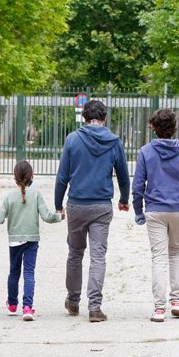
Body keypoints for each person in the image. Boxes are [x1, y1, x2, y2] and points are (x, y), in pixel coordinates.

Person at [55, 100, 130, 323]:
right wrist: (124, 199)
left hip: (76, 205)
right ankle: (95, 307)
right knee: (98, 257)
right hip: (101, 207)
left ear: (84, 118)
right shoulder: (114, 142)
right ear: (104, 119)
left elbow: (62, 177)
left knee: (75, 253)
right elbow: (124, 176)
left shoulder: (72, 139)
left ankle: (73, 301)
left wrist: (59, 204)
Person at [132, 108, 179, 322]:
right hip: (178, 210)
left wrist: (138, 211)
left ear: (154, 127)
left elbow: (138, 186)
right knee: (176, 253)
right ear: (174, 128)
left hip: (155, 210)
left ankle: (158, 308)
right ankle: (176, 301)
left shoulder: (146, 152)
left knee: (159, 257)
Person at [0, 161, 62, 321]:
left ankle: (12, 304)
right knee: (29, 273)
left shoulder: (9, 196)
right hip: (32, 240)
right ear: (31, 176)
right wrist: (59, 216)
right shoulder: (36, 194)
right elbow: (46, 216)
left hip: (14, 241)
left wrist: (8, 214)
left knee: (14, 272)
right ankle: (27, 306)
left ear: (14, 178)